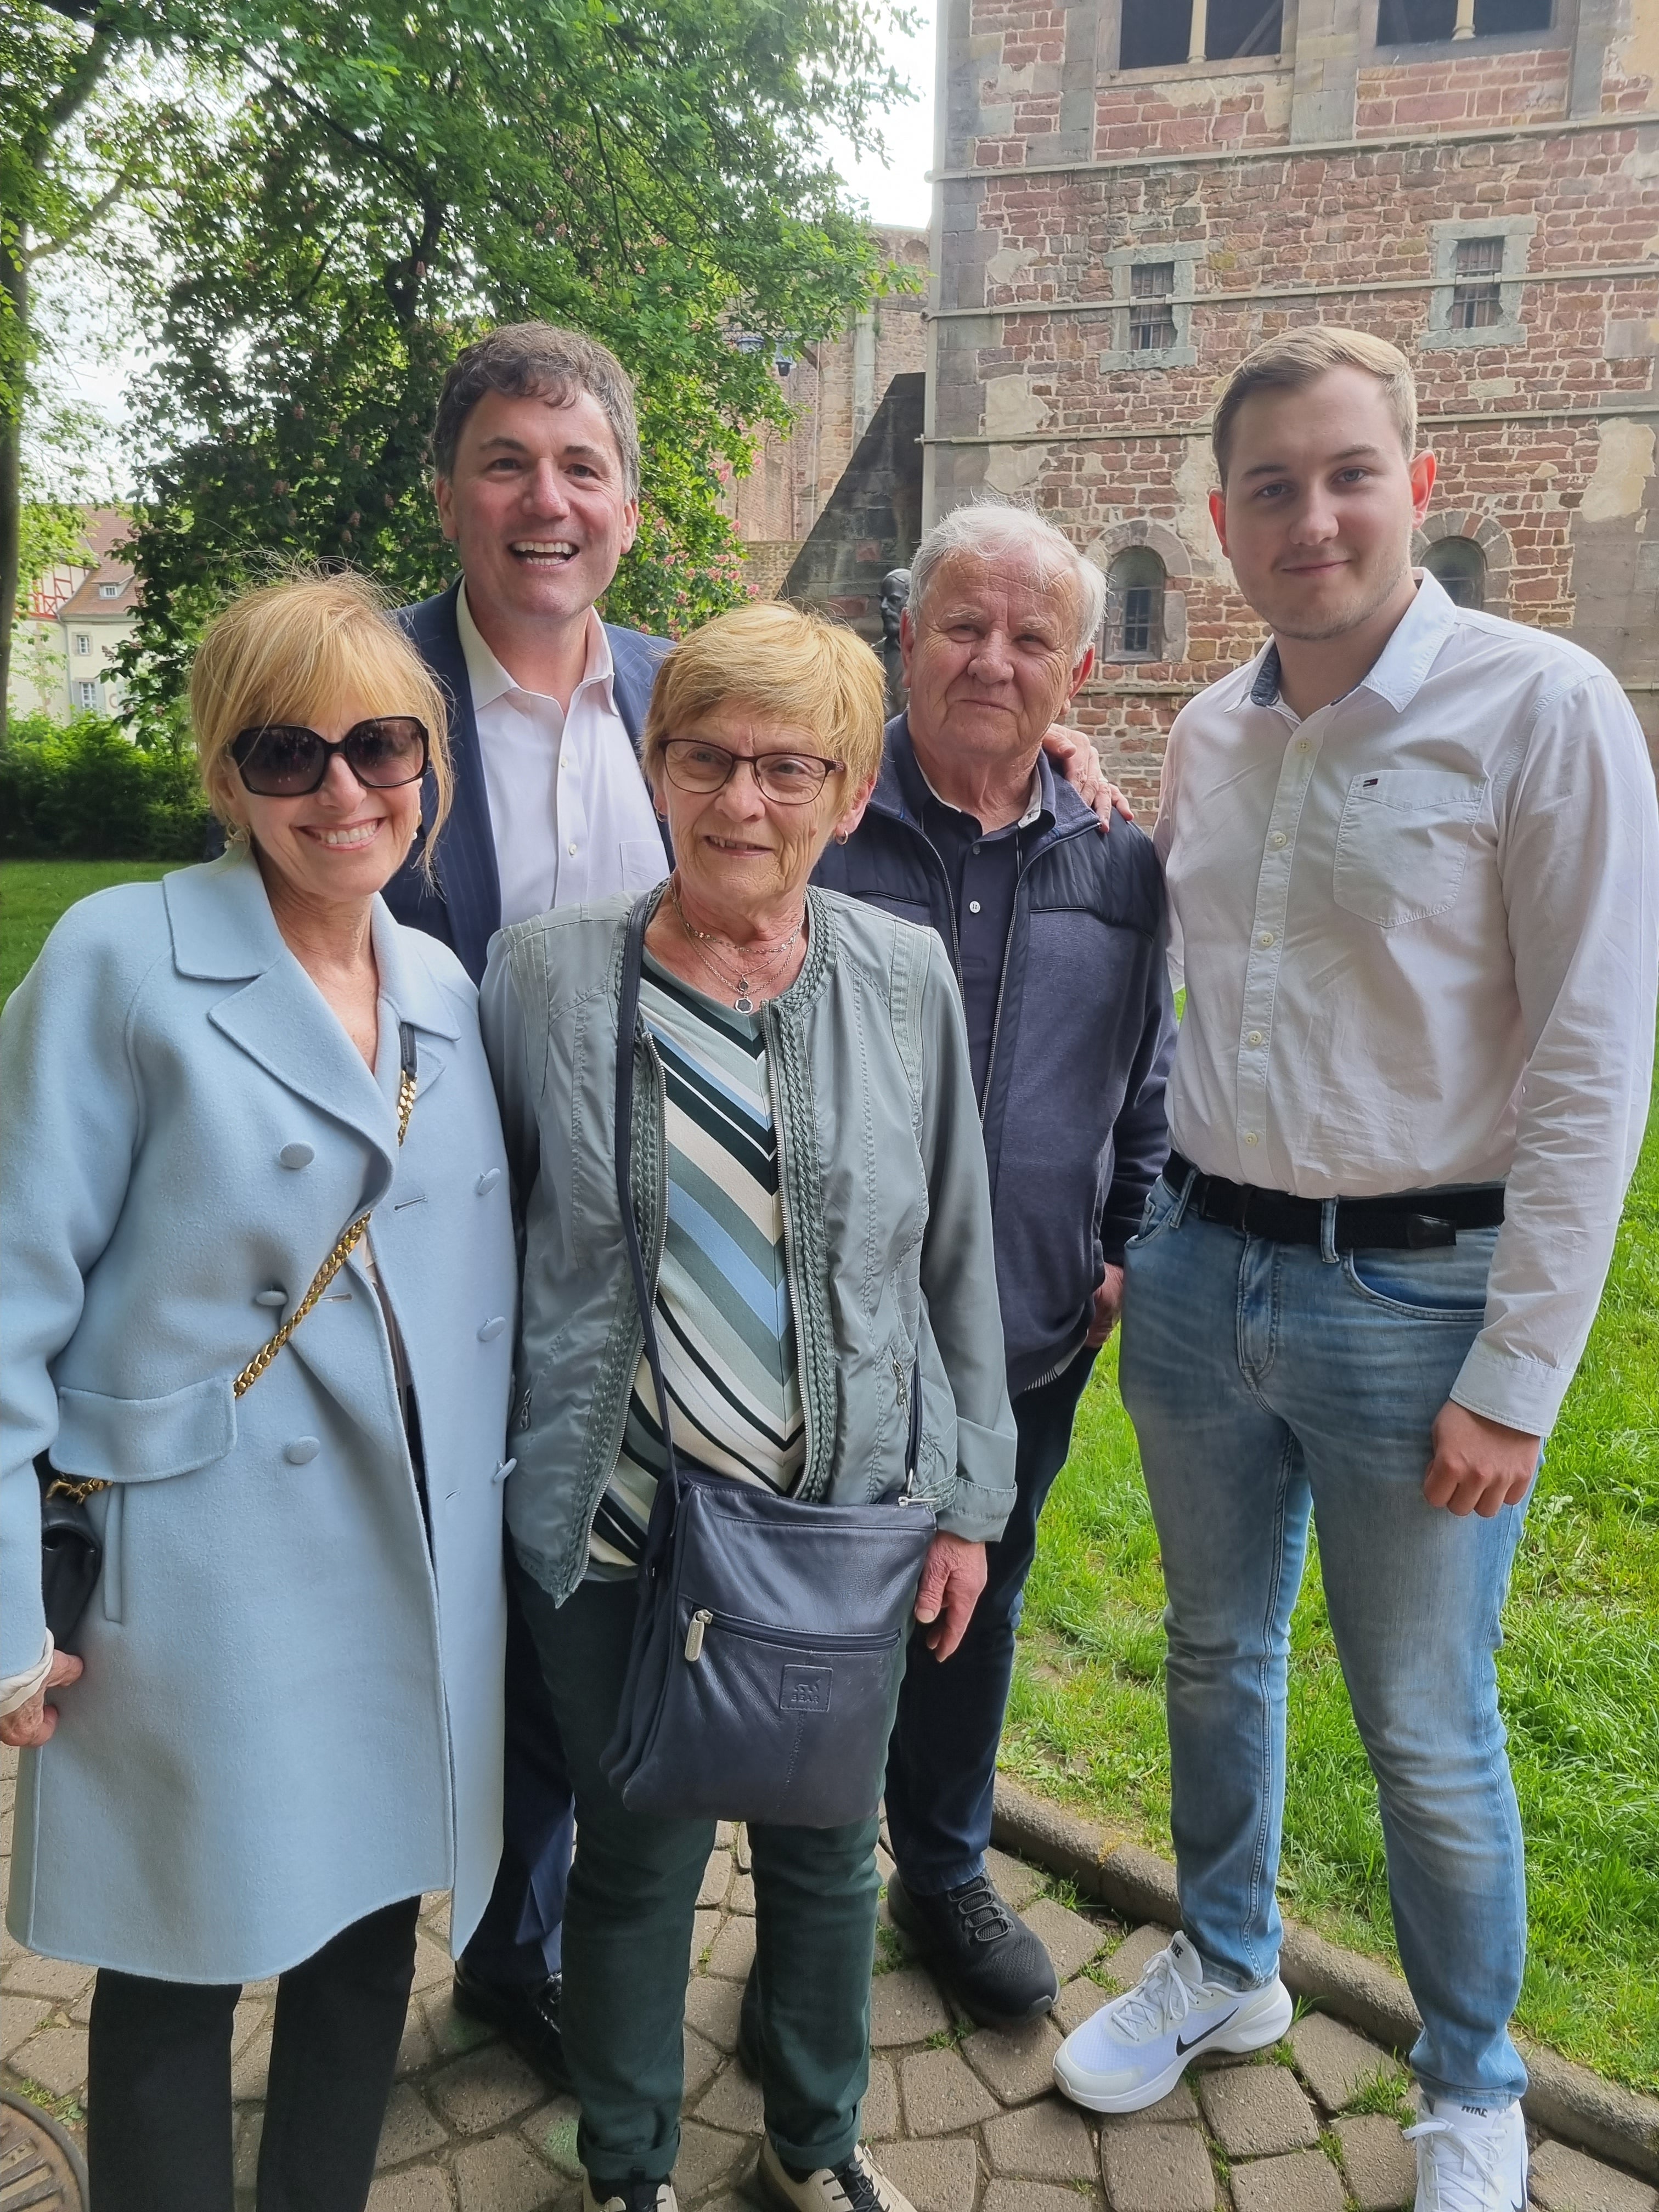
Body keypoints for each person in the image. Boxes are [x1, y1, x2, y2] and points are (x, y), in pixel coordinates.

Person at [375, 319, 1130, 2078]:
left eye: (581, 469)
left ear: (630, 510)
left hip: (732, 1321)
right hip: (461, 1277)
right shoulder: (375, 702)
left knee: (731, 1787)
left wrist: (1048, 770)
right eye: (507, 463)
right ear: (450, 495)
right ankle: (502, 1944)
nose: (545, 502)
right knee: (526, 1679)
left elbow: (821, 787)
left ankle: (595, 1991)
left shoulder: (686, 687)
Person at [1051, 329, 1659, 2212]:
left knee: (1428, 1724)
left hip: (1420, 1307)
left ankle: (1471, 2086)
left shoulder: (1544, 708)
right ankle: (1229, 1969)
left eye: (1345, 476)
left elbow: (1593, 1061)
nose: (1309, 518)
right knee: (1216, 1660)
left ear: (1416, 477)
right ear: (1219, 519)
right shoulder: (1215, 733)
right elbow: (1194, 984)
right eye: (1269, 487)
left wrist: (1522, 1370)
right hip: (1204, 1267)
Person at [479, 599, 1018, 2212]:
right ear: (655, 767)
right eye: (706, 758)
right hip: (617, 1506)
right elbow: (495, 1251)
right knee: (634, 1867)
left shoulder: (904, 973)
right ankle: (627, 2164)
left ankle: (817, 2141)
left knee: (823, 1854)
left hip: (834, 1519)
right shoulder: (544, 979)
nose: (742, 804)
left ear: (854, 794)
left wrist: (968, 1502)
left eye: (792, 768)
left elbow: (955, 1251)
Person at [0, 573, 520, 2212]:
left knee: (367, 1944)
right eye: (288, 755)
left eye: (381, 746)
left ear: (428, 762)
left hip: (401, 1559)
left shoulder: (439, 984)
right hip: (194, 1568)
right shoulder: (120, 959)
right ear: (226, 779)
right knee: (177, 1963)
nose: (344, 792)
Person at [815, 499, 1175, 2026]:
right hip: (820, 1331)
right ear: (904, 635)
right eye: (964, 624)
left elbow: (1153, 1070)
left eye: (1033, 638)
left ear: (1078, 671)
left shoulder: (1120, 862)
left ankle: (943, 1867)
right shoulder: (817, 819)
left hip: (1026, 1329)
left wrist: (1129, 1239)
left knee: (981, 1600)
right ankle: (803, 1890)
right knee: (810, 1612)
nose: (993, 659)